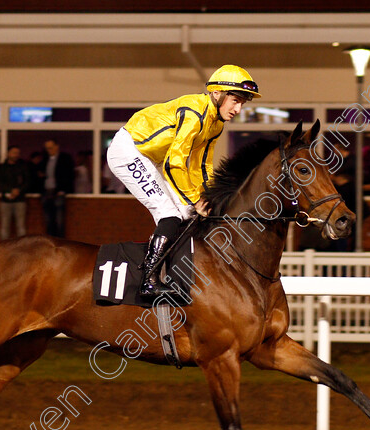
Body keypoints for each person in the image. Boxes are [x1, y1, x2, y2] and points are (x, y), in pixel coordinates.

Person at [106, 64, 259, 297]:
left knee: (187, 214)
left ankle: (178, 279)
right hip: (130, 151)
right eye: (235, 101)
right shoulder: (194, 112)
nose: (238, 109)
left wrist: (208, 197)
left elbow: (201, 165)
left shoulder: (215, 123)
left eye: (242, 103)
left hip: (153, 158)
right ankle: (147, 279)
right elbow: (174, 163)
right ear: (217, 93)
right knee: (170, 215)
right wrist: (194, 199)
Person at [38, 138, 75, 237]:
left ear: (56, 147)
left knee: (59, 219)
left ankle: (60, 240)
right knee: (48, 220)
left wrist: (63, 189)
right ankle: (51, 239)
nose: (49, 150)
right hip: (47, 191)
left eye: (50, 148)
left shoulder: (64, 159)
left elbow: (69, 175)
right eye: (47, 148)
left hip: (58, 192)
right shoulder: (45, 160)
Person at [0, 145, 30, 240]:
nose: (16, 155)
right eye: (14, 152)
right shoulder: (1, 168)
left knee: (21, 226)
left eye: (18, 153)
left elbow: (27, 182)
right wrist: (10, 190)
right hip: (5, 200)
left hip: (20, 200)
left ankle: (21, 248)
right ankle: (4, 249)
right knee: (4, 226)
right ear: (8, 153)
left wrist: (18, 190)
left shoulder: (22, 167)